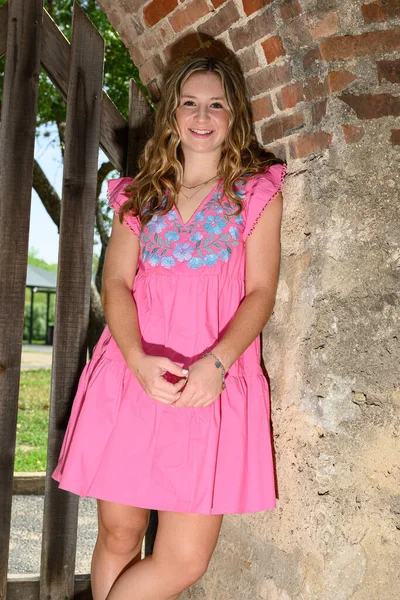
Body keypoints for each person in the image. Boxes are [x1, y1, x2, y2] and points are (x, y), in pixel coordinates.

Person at [53, 54, 287, 600]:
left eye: (216, 104)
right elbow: (114, 284)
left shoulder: (256, 193)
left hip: (209, 384)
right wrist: (136, 360)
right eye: (189, 103)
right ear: (171, 114)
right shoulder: (138, 194)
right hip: (135, 370)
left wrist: (216, 364)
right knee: (120, 531)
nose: (201, 116)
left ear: (235, 116)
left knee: (183, 560)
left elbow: (261, 293)